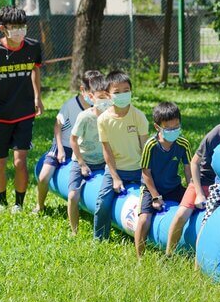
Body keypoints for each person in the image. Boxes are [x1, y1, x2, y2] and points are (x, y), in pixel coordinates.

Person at [167, 88, 220, 256]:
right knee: (181, 215)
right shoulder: (217, 134)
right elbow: (194, 163)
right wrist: (199, 193)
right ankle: (169, 253)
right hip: (204, 181)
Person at [0, 6, 43, 213]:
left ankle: (19, 204)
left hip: (24, 113)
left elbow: (35, 71)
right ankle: (2, 202)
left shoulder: (34, 47)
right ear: (3, 28)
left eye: (22, 26)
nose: (19, 31)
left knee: (20, 161)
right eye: (14, 27)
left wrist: (37, 97)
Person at [33, 70, 101, 214]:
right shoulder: (70, 105)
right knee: (44, 176)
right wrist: (60, 149)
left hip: (85, 149)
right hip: (64, 145)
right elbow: (58, 126)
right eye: (92, 92)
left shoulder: (98, 108)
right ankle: (40, 206)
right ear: (83, 90)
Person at [94, 70, 149, 240]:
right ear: (108, 95)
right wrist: (115, 177)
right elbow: (107, 151)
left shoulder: (139, 116)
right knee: (102, 203)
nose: (122, 95)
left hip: (139, 169)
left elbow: (146, 149)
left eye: (126, 91)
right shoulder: (103, 120)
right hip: (115, 171)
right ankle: (100, 239)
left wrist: (147, 175)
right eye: (117, 92)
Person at [134, 102, 192, 257]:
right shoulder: (151, 145)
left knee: (193, 208)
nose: (173, 131)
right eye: (169, 128)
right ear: (157, 127)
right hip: (151, 188)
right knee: (144, 220)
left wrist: (193, 192)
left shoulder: (183, 143)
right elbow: (146, 173)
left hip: (173, 187)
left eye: (177, 127)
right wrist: (155, 196)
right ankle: (140, 257)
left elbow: (188, 170)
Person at [67, 74, 111, 235]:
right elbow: (73, 140)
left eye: (107, 97)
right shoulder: (84, 117)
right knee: (73, 196)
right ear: (91, 97)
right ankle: (74, 230)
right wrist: (81, 164)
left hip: (102, 161)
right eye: (100, 97)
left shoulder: (110, 117)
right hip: (82, 161)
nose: (105, 101)